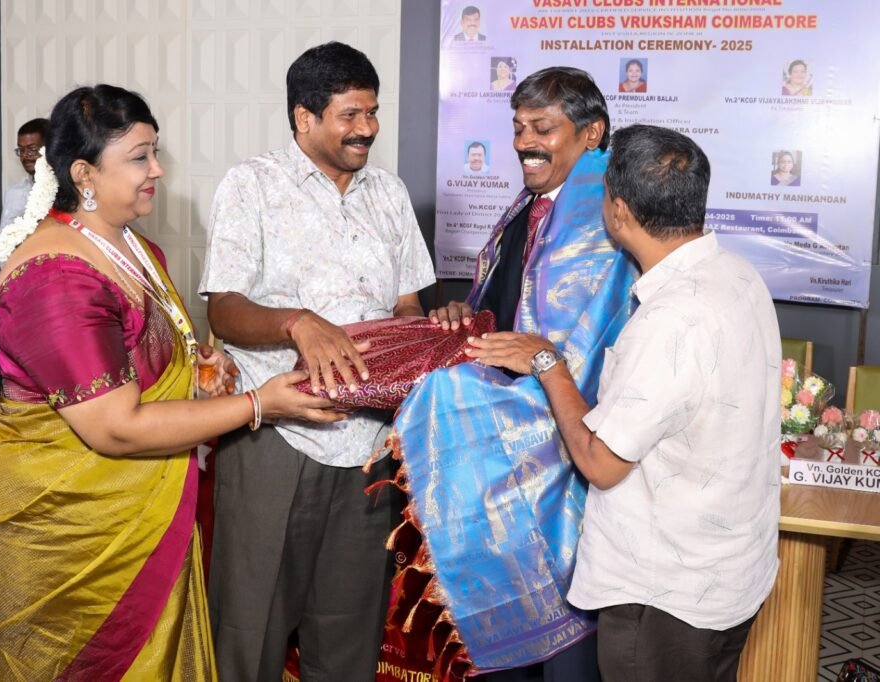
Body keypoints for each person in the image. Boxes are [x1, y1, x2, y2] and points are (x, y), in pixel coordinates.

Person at [0, 84, 341, 680]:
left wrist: (198, 369)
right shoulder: (55, 276)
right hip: (73, 531)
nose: (157, 169)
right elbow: (115, 427)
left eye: (155, 152)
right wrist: (259, 404)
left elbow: (146, 356)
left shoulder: (135, 248)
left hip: (141, 511)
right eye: (139, 157)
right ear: (84, 173)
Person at [467, 124, 781, 682]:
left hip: (665, 598)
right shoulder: (738, 274)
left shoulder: (668, 320)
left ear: (618, 210)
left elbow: (601, 463)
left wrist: (548, 364)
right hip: (730, 574)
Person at [199, 41, 435, 682]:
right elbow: (225, 308)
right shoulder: (252, 185)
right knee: (250, 627)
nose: (367, 128)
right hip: (278, 438)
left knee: (349, 634)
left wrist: (425, 337)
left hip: (369, 448)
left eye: (373, 112)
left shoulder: (389, 193)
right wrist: (296, 322)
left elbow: (406, 306)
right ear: (304, 117)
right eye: (350, 114)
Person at [400, 67, 637, 681]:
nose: (524, 141)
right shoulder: (533, 205)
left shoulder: (602, 219)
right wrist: (468, 316)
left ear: (592, 133)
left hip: (563, 456)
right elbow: (515, 318)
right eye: (518, 127)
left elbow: (579, 350)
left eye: (542, 128)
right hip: (502, 454)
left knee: (566, 646)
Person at [0, 117, 49, 230]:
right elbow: (5, 234)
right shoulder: (14, 192)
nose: (25, 155)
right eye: (21, 149)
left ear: (50, 149)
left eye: (32, 149)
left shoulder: (67, 191)